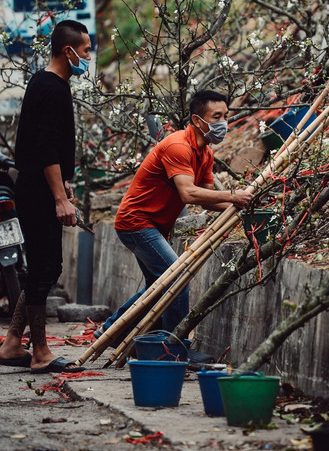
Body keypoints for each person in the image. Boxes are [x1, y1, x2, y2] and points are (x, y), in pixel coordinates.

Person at [95, 90, 253, 362]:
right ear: (197, 119)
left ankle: (110, 331)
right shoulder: (178, 146)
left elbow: (206, 200)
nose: (223, 122)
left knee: (160, 284)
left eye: (226, 116)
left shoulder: (204, 154)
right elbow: (189, 194)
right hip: (136, 223)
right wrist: (232, 196)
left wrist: (242, 206)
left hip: (153, 226)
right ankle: (176, 348)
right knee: (177, 279)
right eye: (217, 116)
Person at [0, 20, 91, 373]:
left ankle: (11, 344)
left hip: (39, 187)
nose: (87, 56)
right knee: (44, 269)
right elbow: (46, 148)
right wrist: (59, 198)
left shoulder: (44, 82)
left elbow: (47, 148)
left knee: (43, 268)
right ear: (68, 51)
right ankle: (40, 352)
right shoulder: (53, 88)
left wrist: (63, 183)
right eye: (85, 51)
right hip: (38, 191)